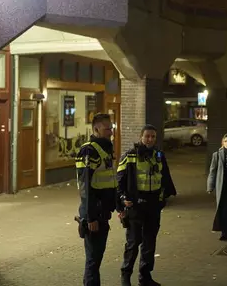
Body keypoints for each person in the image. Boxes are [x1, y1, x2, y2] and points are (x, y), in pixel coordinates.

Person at [117, 124, 176, 286]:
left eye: (153, 137)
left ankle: (145, 277)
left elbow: (165, 179)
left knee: (149, 242)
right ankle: (125, 276)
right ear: (141, 137)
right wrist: (122, 200)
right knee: (133, 242)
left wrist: (162, 199)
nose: (150, 139)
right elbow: (119, 180)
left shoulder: (159, 155)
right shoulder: (130, 156)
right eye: (147, 136)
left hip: (153, 206)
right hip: (135, 206)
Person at [75, 113, 118, 286]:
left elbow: (109, 181)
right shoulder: (89, 150)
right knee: (93, 260)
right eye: (108, 128)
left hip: (102, 212)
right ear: (96, 129)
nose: (111, 131)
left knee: (96, 258)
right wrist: (91, 216)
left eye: (111, 128)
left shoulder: (105, 149)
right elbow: (85, 186)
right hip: (95, 214)